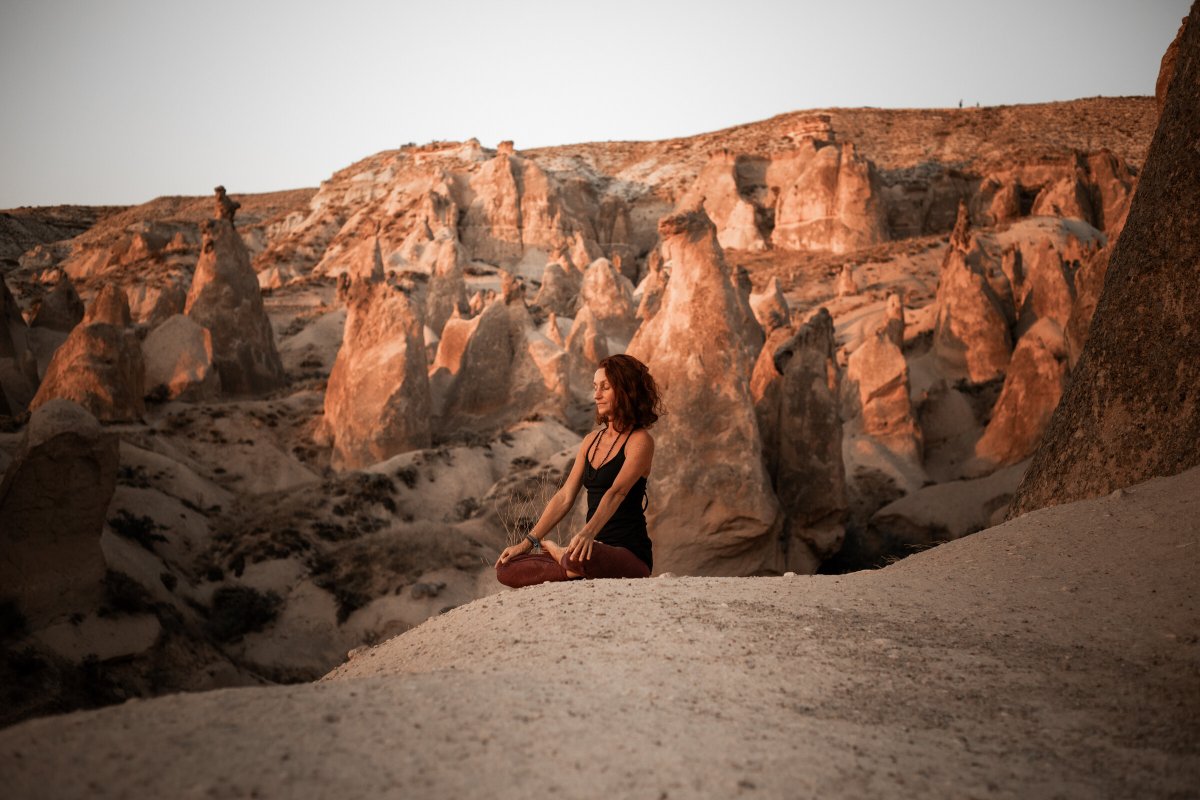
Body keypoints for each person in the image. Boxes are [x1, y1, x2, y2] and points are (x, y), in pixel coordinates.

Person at [494, 354, 662, 586]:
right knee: (505, 568)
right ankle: (570, 565)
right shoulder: (591, 441)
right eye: (595, 387)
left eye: (605, 387)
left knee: (579, 556)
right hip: (589, 549)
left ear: (626, 390)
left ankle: (560, 555)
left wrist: (586, 533)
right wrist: (528, 543)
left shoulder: (640, 441)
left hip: (628, 553)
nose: (597, 395)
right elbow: (564, 497)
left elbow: (617, 492)